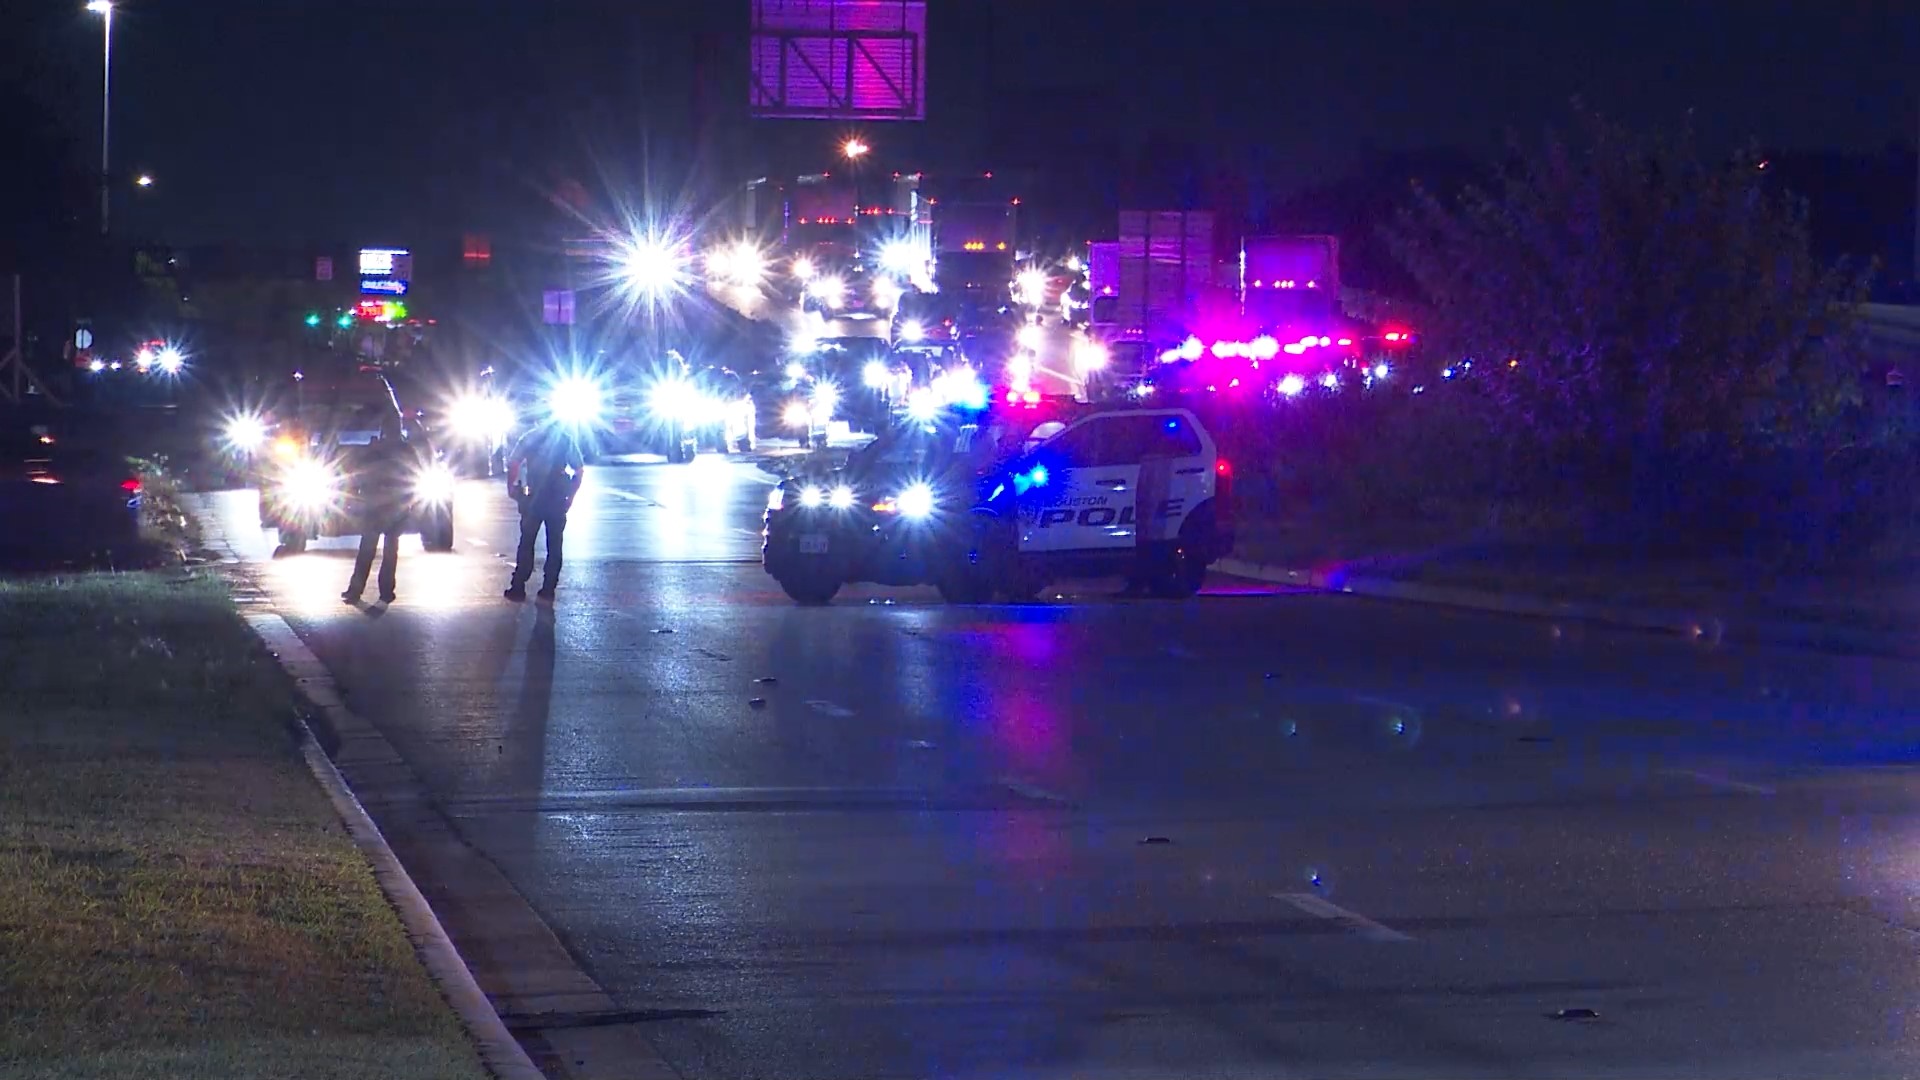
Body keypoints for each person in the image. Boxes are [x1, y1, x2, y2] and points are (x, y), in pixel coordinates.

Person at [342, 411, 424, 604]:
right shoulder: (405, 450)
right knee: (389, 550)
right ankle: (385, 591)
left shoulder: (377, 449)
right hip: (393, 505)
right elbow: (414, 475)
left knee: (369, 549)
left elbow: (361, 474)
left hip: (378, 504)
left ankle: (357, 590)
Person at [504, 424, 584, 601]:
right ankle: (548, 589)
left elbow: (514, 462)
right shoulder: (565, 439)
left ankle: (518, 587)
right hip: (556, 499)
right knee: (554, 546)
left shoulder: (529, 437)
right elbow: (579, 470)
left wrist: (511, 487)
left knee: (526, 543)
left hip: (533, 499)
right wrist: (570, 496)